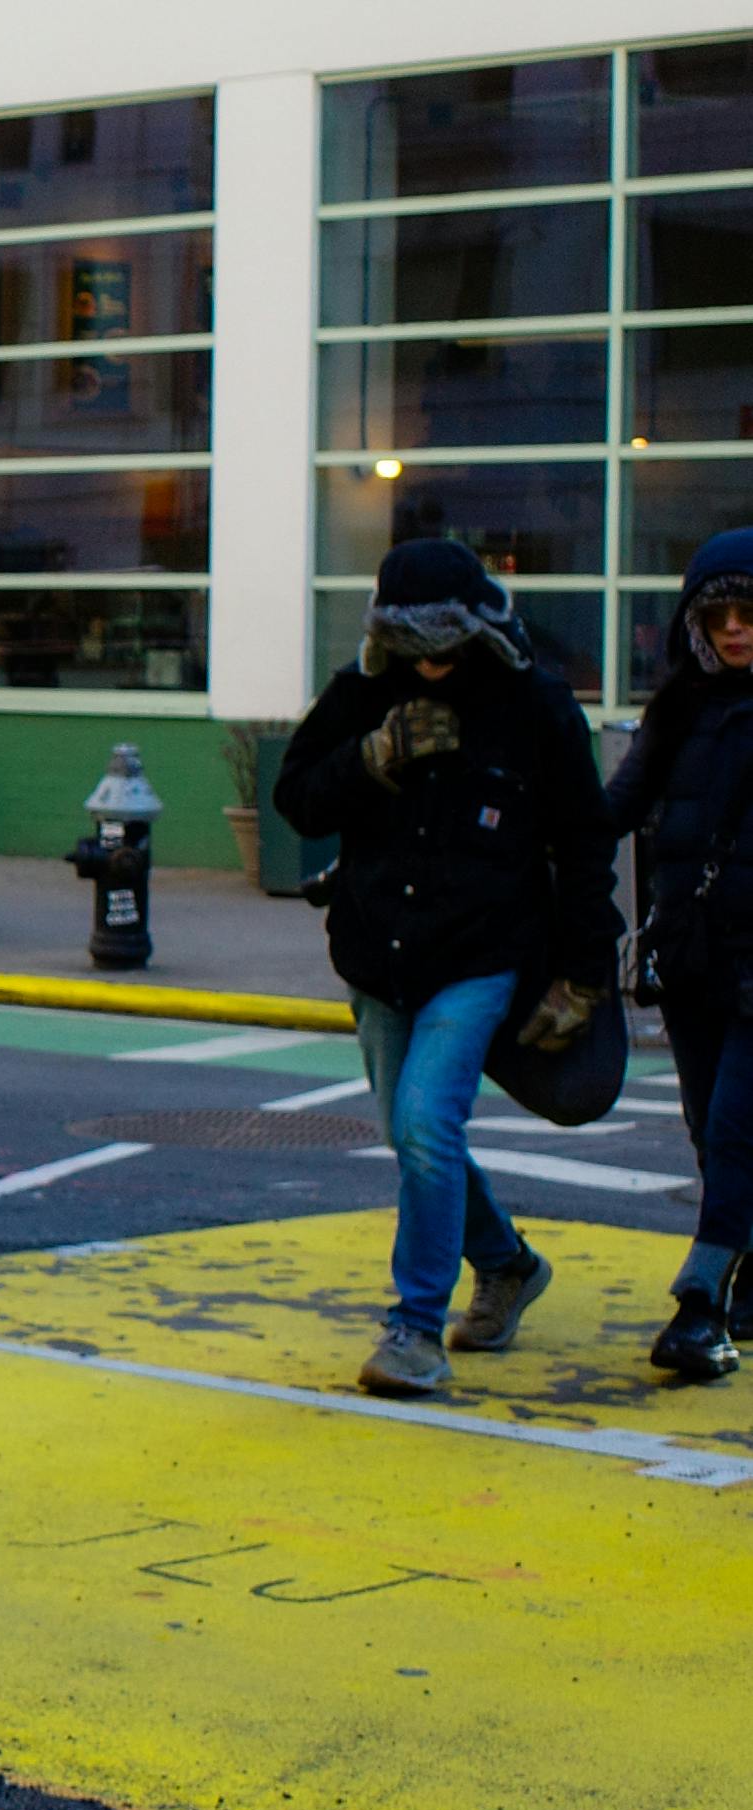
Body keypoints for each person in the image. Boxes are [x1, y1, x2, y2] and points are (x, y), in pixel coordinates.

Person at [271, 538, 616, 1400]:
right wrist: (371, 758)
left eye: (442, 641)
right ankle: (505, 1264)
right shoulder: (362, 694)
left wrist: (582, 973)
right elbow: (296, 795)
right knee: (409, 1133)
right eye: (409, 640)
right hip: (375, 950)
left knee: (425, 1124)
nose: (427, 661)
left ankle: (413, 1328)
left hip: (481, 953)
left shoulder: (533, 704)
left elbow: (583, 845)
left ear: (477, 628)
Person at [602, 529, 753, 1379]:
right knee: (706, 1126)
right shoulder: (678, 707)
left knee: (734, 1125)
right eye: (717, 615)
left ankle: (699, 1308)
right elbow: (614, 807)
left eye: (749, 612)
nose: (734, 630)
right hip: (691, 953)